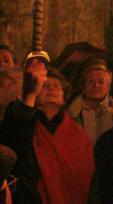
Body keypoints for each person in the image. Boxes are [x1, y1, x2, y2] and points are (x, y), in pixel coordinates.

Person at [0, 59, 94, 204]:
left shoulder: (78, 134)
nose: (51, 89)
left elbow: (86, 176)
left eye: (56, 86)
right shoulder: (25, 124)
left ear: (64, 96)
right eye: (45, 86)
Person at [68, 63, 113, 143]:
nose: (96, 85)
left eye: (101, 82)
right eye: (90, 81)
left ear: (108, 87)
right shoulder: (68, 114)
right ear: (82, 86)